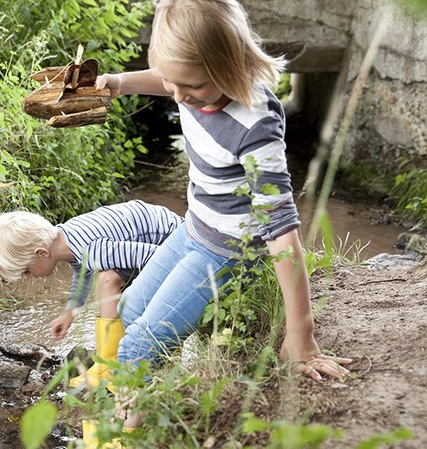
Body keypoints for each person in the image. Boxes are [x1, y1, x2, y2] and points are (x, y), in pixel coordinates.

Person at [90, 0, 353, 438]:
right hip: (193, 228)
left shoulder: (255, 126)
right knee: (129, 308)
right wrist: (122, 82)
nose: (178, 97)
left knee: (137, 346)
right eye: (171, 82)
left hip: (228, 251)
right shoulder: (193, 84)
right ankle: (158, 393)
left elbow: (282, 230)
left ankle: (130, 434)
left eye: (191, 86)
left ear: (228, 66)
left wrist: (301, 332)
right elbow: (174, 79)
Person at [0, 200, 183, 388]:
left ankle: (110, 364)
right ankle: (116, 354)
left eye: (26, 271)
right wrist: (70, 312)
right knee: (109, 278)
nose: (30, 277)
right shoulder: (67, 237)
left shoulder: (94, 249)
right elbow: (82, 273)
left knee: (107, 280)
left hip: (175, 240)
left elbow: (159, 256)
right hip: (156, 236)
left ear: (41, 253)